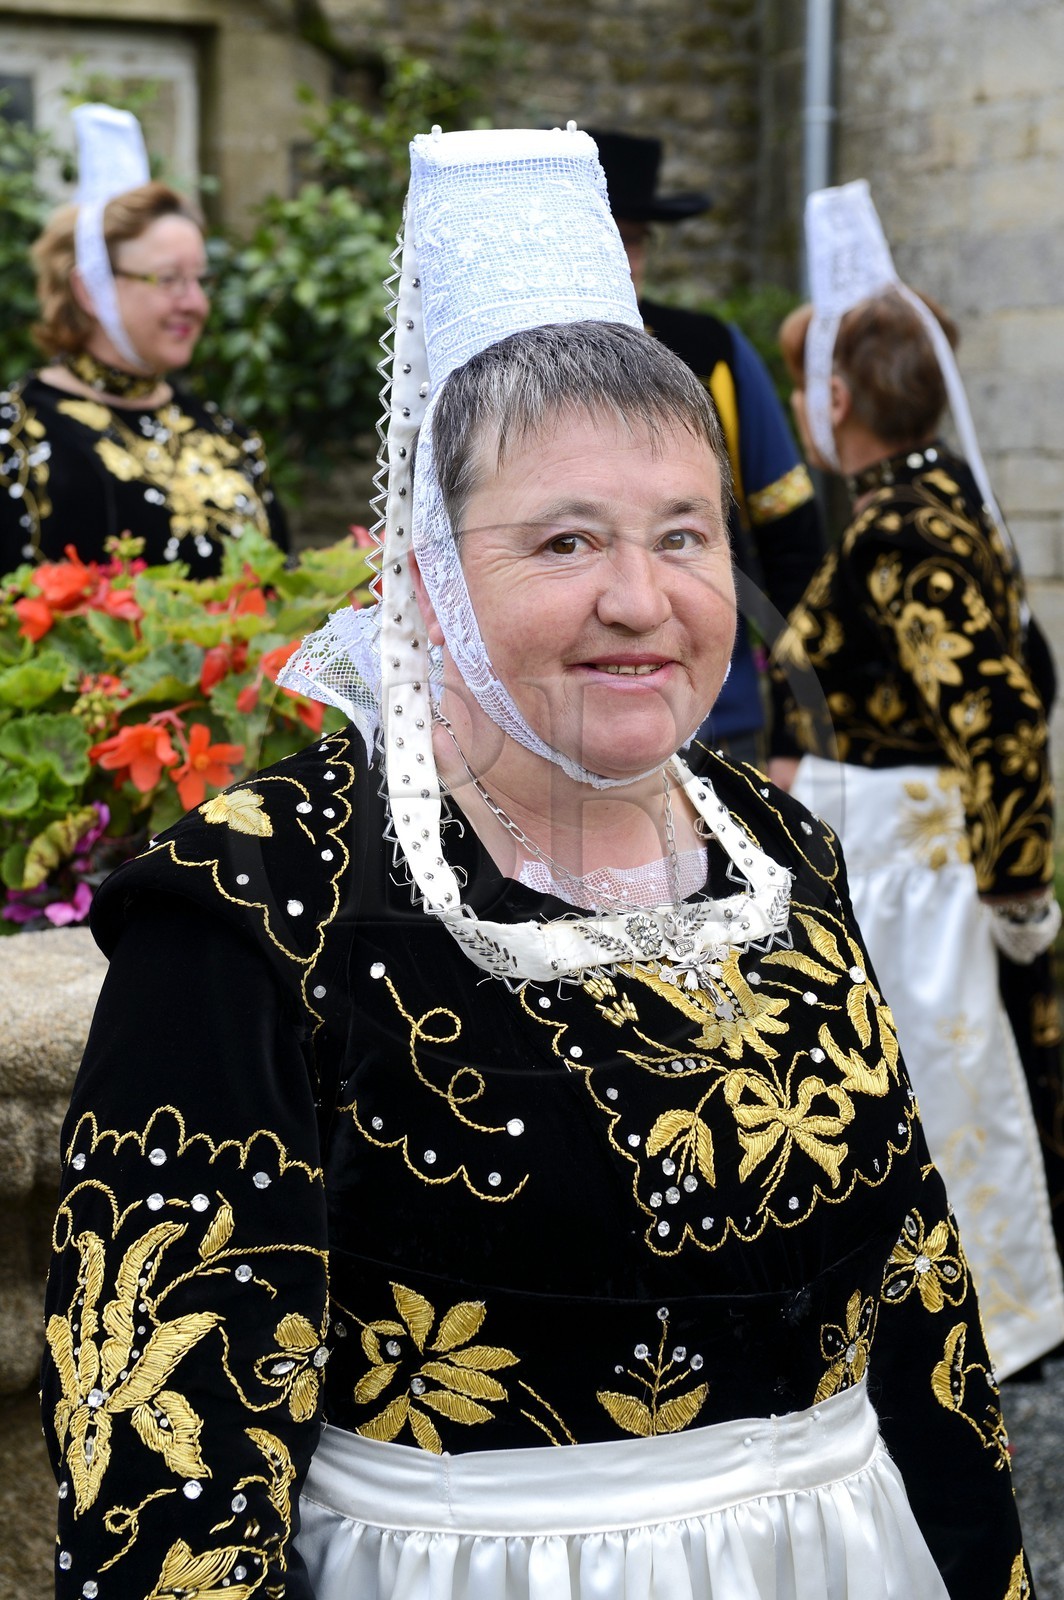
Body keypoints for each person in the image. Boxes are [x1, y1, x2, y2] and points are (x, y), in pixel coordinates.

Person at [42, 128, 1032, 1600]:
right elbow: (168, 1458)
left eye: (682, 534)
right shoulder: (262, 901)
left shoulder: (780, 851)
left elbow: (921, 1310)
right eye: (563, 540)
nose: (644, 601)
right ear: (429, 578)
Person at [772, 179, 1064, 1380]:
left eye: (805, 382)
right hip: (910, 864)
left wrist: (1013, 895)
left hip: (927, 887)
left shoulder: (900, 530)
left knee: (943, 1111)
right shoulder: (936, 506)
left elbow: (997, 715)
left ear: (836, 400)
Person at [589, 129, 823, 771]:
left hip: (718, 723)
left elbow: (792, 541)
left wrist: (794, 736)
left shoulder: (712, 353)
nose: (622, 258)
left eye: (634, 239)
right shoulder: (497, 373)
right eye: (605, 235)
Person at [0, 104, 286, 577]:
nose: (195, 303)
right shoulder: (15, 441)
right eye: (169, 279)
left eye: (200, 280)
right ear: (90, 290)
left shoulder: (232, 441)